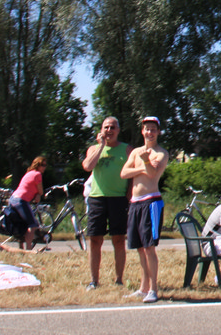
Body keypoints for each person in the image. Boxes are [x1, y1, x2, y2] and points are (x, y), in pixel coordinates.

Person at [120, 116, 169, 303]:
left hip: (151, 202)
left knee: (149, 247)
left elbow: (152, 174)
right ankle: (143, 287)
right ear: (142, 131)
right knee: (140, 248)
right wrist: (142, 166)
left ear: (158, 132)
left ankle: (153, 289)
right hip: (135, 202)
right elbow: (124, 173)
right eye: (147, 129)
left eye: (153, 129)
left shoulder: (161, 153)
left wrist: (145, 163)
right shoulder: (136, 152)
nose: (150, 132)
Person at [82, 117, 132, 290]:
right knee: (95, 239)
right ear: (101, 130)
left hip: (118, 199)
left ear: (118, 130)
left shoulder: (127, 150)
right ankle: (94, 280)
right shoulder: (94, 149)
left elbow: (133, 176)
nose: (109, 130)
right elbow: (88, 166)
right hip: (97, 198)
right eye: (106, 127)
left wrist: (129, 195)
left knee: (118, 239)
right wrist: (101, 146)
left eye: (113, 127)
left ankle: (119, 279)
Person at [9, 157, 46, 250]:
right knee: (32, 225)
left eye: (45, 165)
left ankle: (21, 247)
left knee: (23, 224)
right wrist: (39, 194)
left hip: (13, 199)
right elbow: (41, 191)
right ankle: (29, 249)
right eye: (42, 165)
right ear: (37, 165)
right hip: (21, 201)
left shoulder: (28, 173)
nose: (44, 167)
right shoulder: (37, 174)